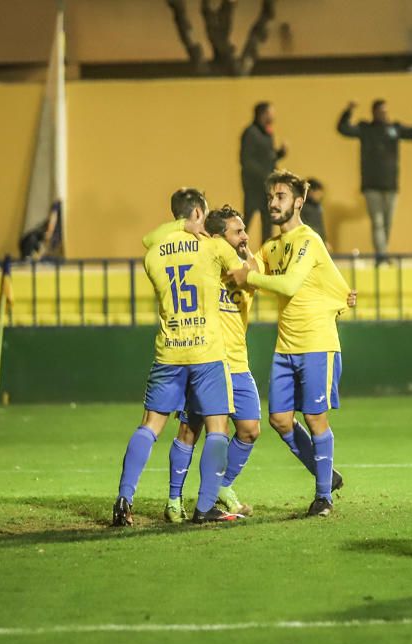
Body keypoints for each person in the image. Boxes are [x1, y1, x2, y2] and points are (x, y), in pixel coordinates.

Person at [112, 189, 246, 526]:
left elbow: (150, 238)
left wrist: (178, 228)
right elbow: (243, 275)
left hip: (169, 352)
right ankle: (204, 508)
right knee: (218, 427)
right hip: (206, 352)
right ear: (200, 212)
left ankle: (124, 499)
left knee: (150, 427)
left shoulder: (154, 254)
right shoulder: (213, 247)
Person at [234, 170, 357, 517]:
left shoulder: (308, 240)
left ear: (298, 202)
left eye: (281, 197)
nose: (273, 203)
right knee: (279, 419)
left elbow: (287, 286)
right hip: (286, 348)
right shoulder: (272, 246)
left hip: (317, 343)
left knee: (316, 419)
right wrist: (234, 252)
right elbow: (248, 267)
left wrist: (250, 276)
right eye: (271, 197)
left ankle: (323, 498)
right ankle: (326, 475)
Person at [143, 206, 262, 522]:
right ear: (219, 236)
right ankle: (174, 500)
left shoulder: (245, 268)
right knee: (188, 430)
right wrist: (188, 227)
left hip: (237, 364)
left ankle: (220, 487)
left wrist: (242, 248)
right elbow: (156, 246)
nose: (244, 236)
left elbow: (256, 277)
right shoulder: (200, 263)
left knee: (250, 430)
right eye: (237, 231)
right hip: (205, 361)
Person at [338, 99, 412, 259]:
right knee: (377, 222)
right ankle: (382, 255)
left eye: (385, 111)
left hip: (391, 184)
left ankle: (382, 253)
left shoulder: (394, 129)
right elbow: (343, 129)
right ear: (373, 112)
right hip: (371, 185)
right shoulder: (365, 129)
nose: (383, 114)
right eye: (380, 111)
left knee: (388, 223)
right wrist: (348, 112)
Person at [241, 101, 288, 245]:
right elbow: (247, 160)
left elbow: (268, 157)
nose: (273, 116)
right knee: (246, 219)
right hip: (253, 186)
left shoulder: (267, 133)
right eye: (270, 112)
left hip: (267, 186)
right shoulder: (251, 133)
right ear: (262, 114)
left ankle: (266, 252)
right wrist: (265, 175)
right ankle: (236, 251)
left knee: (268, 220)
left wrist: (280, 153)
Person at [301, 178, 329, 249]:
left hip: (318, 241)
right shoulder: (302, 206)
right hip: (307, 243)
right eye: (318, 193)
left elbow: (320, 225)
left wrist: (325, 241)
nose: (320, 196)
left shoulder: (318, 206)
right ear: (311, 192)